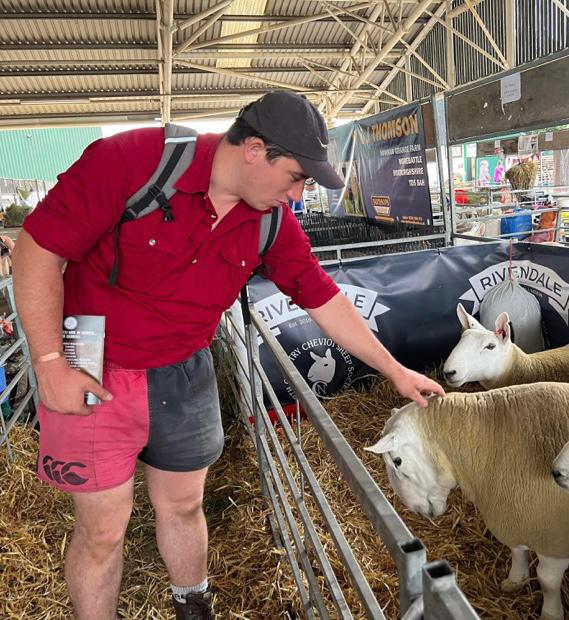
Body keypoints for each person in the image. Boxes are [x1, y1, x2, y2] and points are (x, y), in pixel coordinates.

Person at [12, 90, 445, 620]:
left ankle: (193, 606)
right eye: (296, 176)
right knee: (102, 529)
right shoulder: (131, 162)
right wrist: (49, 364)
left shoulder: (269, 221)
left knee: (185, 503)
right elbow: (36, 250)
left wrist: (396, 370)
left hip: (187, 371)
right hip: (95, 370)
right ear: (254, 149)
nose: (297, 192)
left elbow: (322, 295)